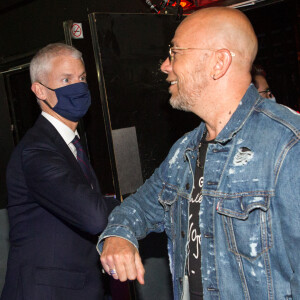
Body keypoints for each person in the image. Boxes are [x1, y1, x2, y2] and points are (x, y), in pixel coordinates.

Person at [98, 7, 300, 300]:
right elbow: (138, 207)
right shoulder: (184, 150)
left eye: (175, 53)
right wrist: (118, 235)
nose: (165, 66)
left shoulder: (287, 144)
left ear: (218, 62)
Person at [1, 43, 118, 300]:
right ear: (40, 90)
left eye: (82, 78)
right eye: (66, 79)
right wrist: (126, 204)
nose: (79, 87)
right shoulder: (37, 151)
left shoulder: (69, 143)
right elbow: (93, 216)